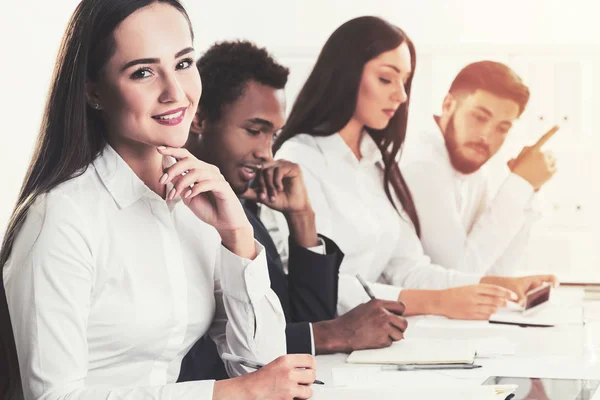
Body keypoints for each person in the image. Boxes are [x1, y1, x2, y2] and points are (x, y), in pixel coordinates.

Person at [0, 1, 316, 399]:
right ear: (94, 91)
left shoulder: (194, 201)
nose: (176, 92)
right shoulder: (61, 217)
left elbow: (266, 371)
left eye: (183, 63)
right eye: (144, 72)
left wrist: (237, 235)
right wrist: (228, 394)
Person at [262, 16, 556, 319]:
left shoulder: (374, 164)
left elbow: (409, 270)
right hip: (325, 345)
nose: (401, 95)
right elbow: (313, 286)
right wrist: (433, 303)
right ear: (346, 75)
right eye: (387, 79)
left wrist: (494, 285)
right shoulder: (300, 161)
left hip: (372, 337)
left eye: (405, 81)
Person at [181, 41, 408, 380]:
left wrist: (301, 217)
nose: (265, 153)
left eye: (272, 136)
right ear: (199, 120)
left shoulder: (241, 204)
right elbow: (193, 351)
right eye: (254, 131)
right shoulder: (177, 208)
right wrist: (333, 334)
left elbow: (298, 316)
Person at [400, 61, 556, 276]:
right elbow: (458, 275)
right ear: (448, 105)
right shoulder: (422, 164)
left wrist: (529, 190)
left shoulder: (471, 165)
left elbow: (494, 271)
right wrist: (520, 184)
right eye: (479, 117)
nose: (486, 136)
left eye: (503, 128)